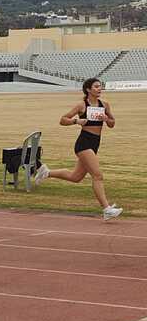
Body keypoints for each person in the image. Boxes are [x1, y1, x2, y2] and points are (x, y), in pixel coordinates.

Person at [35, 77, 123, 221]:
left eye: (100, 86)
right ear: (88, 89)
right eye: (96, 86)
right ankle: (107, 209)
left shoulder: (105, 105)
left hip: (95, 143)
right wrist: (76, 121)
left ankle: (46, 172)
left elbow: (112, 124)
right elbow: (63, 119)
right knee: (97, 175)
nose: (99, 89)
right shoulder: (82, 105)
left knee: (75, 177)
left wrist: (106, 119)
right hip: (84, 143)